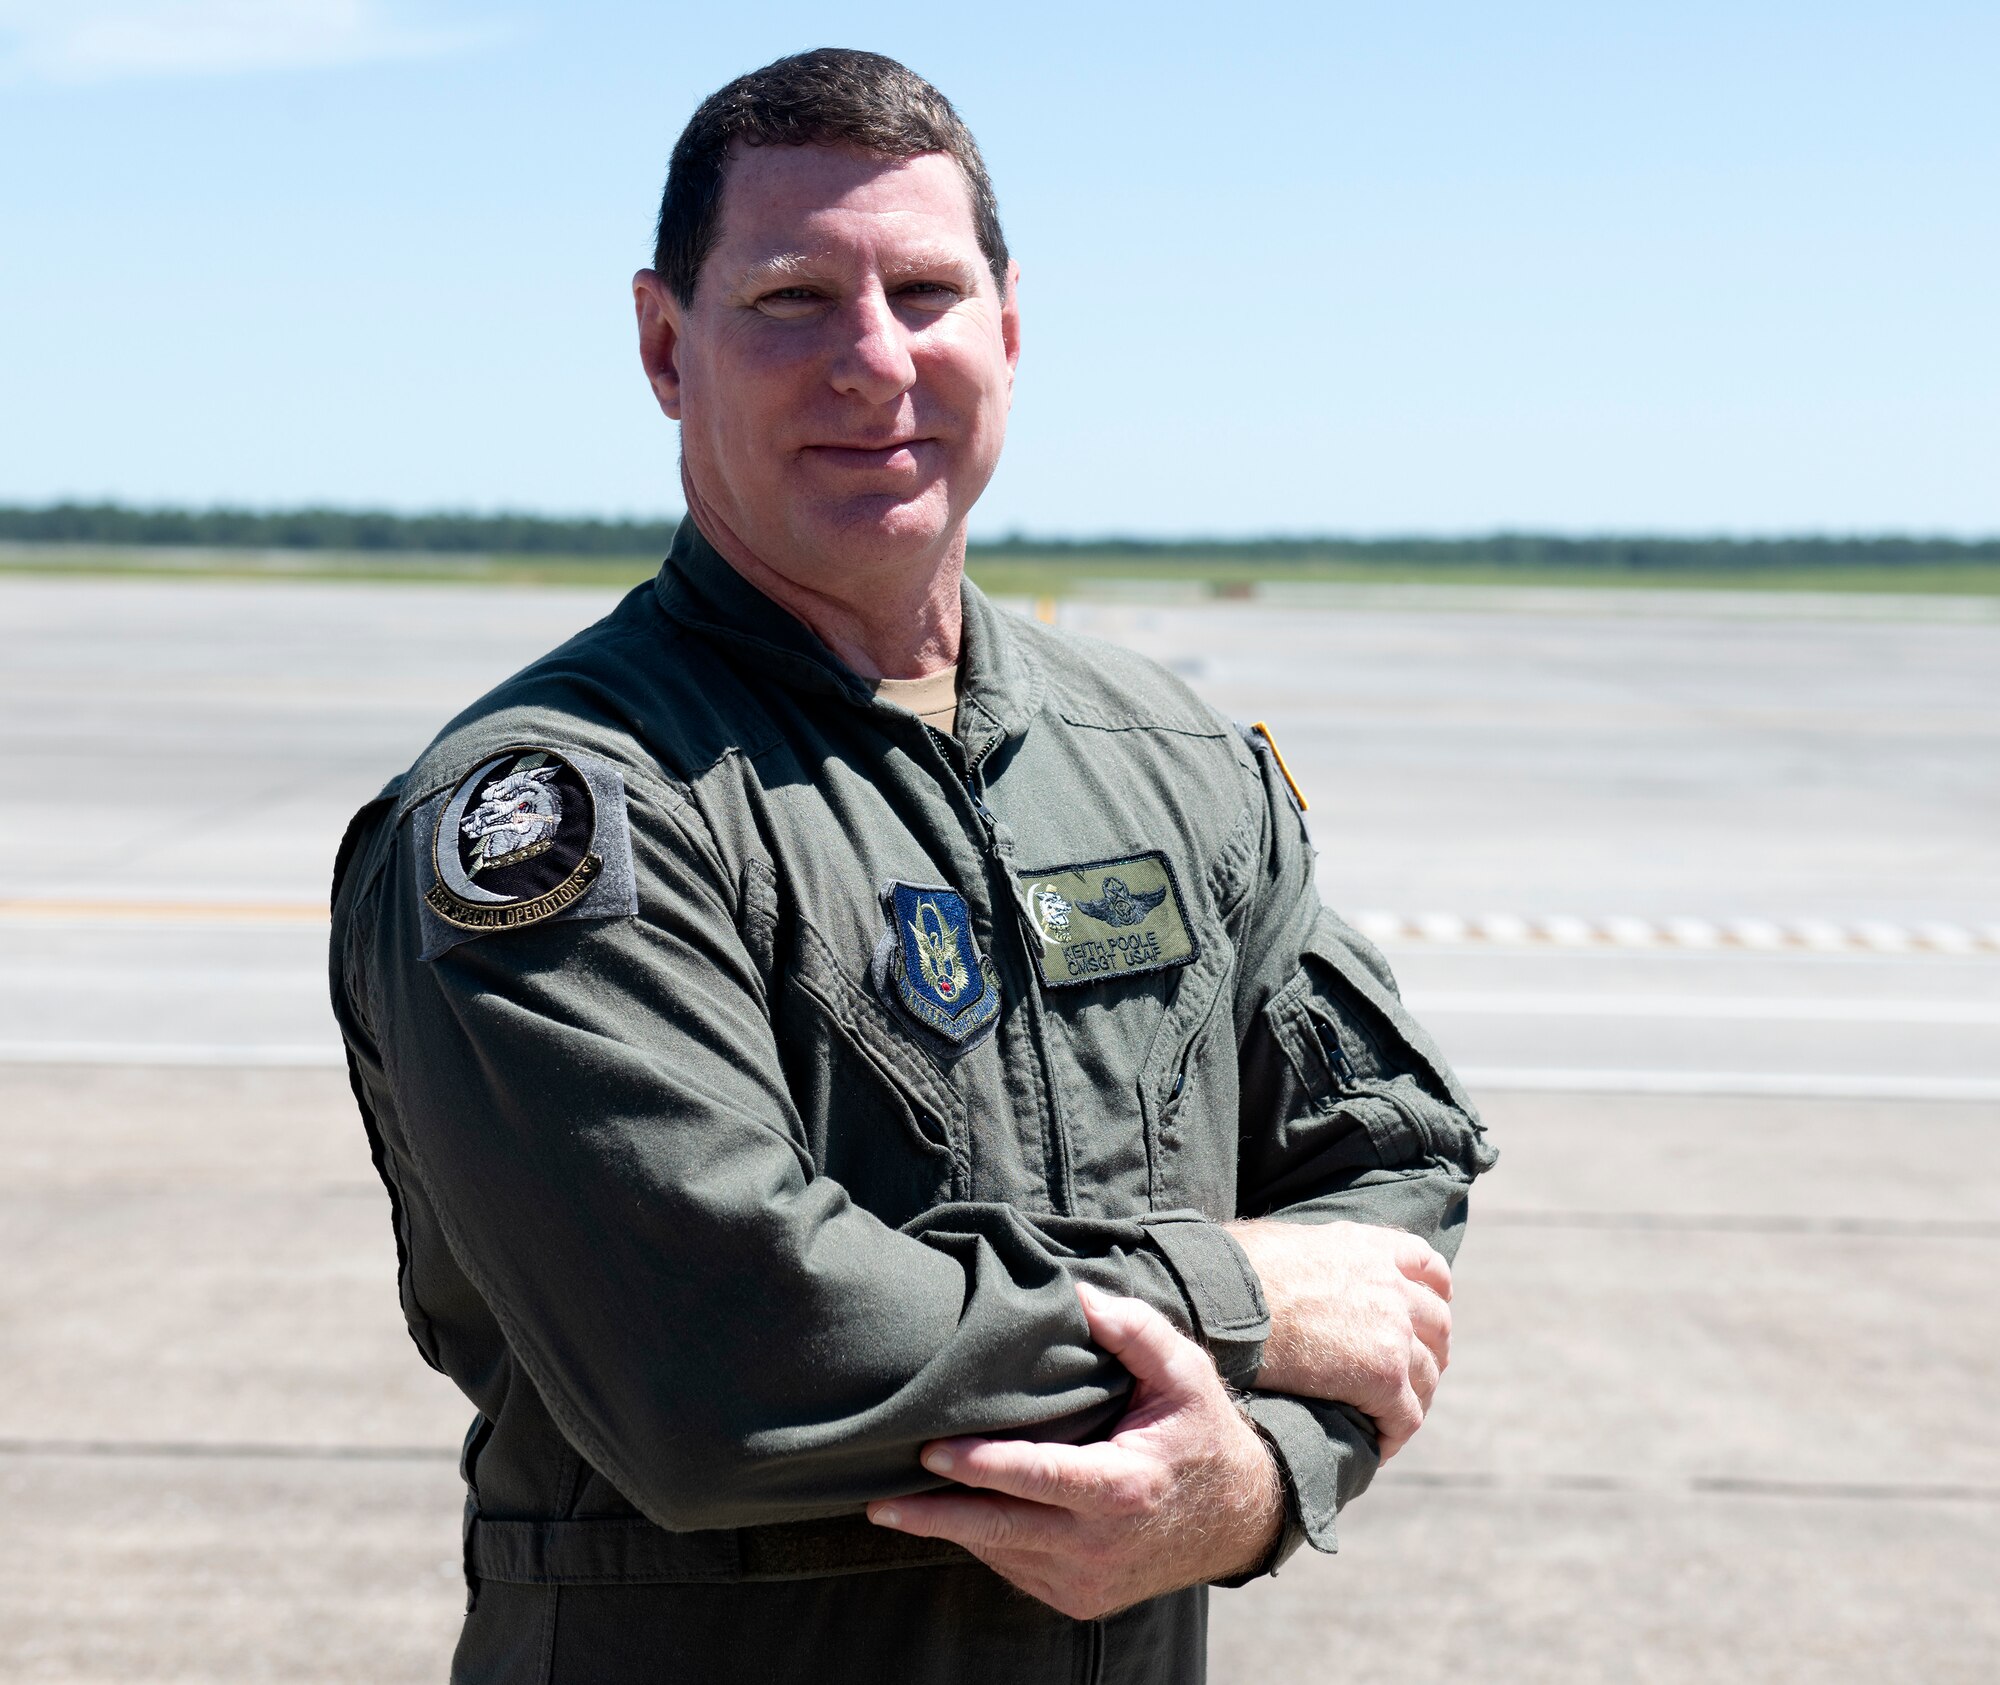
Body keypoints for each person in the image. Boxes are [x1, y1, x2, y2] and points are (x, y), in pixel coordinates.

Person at [329, 47, 1495, 1685]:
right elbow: (721, 1356)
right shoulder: (567, 811)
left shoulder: (1168, 763)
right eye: (794, 298)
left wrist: (1258, 1483)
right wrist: (1230, 1298)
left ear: (1009, 329)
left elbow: (1384, 1184)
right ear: (668, 348)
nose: (875, 362)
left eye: (927, 292)